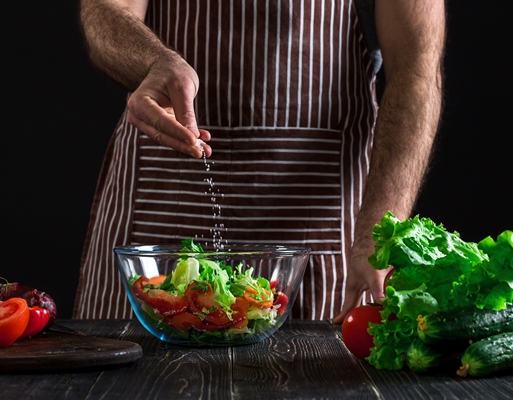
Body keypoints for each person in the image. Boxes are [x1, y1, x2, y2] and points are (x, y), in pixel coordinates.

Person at [73, 0, 446, 323]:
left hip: (322, 232)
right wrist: (153, 61)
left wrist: (381, 229)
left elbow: (417, 68)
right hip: (158, 211)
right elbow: (106, 11)